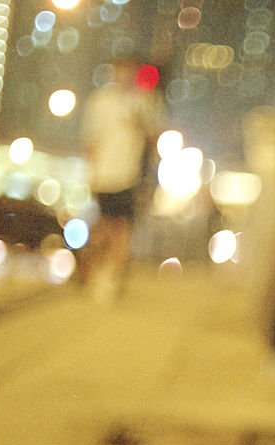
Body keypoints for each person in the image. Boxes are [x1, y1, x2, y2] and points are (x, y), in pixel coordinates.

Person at [81, 57, 163, 301]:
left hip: (129, 177)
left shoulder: (143, 103)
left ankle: (112, 280)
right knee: (102, 228)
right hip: (104, 176)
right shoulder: (99, 102)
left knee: (122, 230)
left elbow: (154, 139)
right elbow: (91, 140)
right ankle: (96, 271)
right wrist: (91, 174)